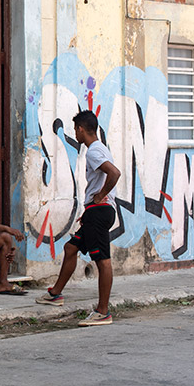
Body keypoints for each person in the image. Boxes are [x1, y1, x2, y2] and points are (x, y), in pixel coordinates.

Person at [37, 110, 121, 326]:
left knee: (102, 261)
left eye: (76, 129)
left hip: (100, 212)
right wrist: (89, 208)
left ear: (81, 129)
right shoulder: (100, 149)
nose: (75, 133)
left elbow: (114, 173)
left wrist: (99, 197)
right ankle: (55, 294)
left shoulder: (94, 151)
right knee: (70, 248)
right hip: (96, 211)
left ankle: (103, 312)